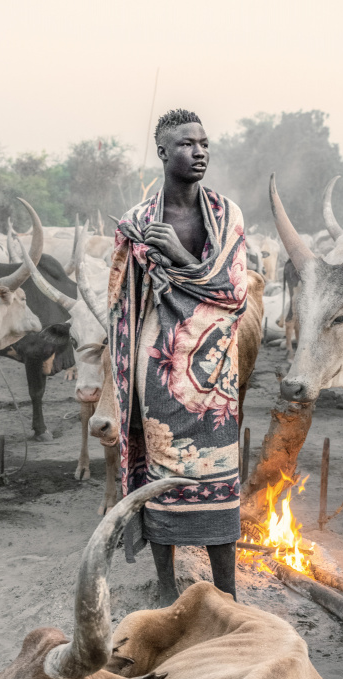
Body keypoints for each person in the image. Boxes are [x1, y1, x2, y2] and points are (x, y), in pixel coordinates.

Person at [108, 109, 248, 605]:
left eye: (205, 143)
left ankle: (227, 593)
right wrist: (148, 249)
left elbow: (235, 294)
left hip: (214, 374)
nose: (200, 151)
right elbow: (123, 308)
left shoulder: (228, 215)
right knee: (163, 477)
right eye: (187, 144)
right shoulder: (136, 224)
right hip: (158, 369)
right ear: (163, 153)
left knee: (218, 477)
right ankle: (166, 589)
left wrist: (181, 259)